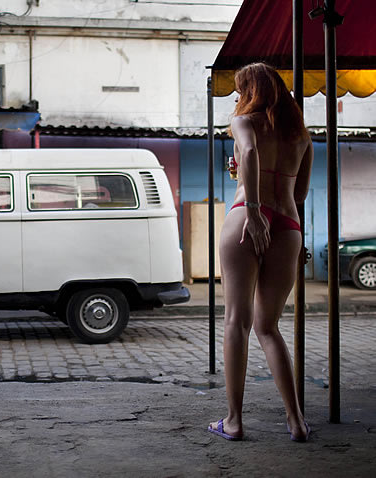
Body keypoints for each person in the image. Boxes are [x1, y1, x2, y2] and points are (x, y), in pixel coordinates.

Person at [207, 63, 313, 442]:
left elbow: (250, 153)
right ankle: (296, 421)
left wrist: (252, 211)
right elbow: (299, 194)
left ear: (252, 90)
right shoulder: (301, 135)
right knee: (268, 327)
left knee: (237, 321)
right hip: (289, 225)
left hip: (247, 218)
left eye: (240, 89)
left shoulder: (244, 121)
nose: (237, 97)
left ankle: (234, 421)